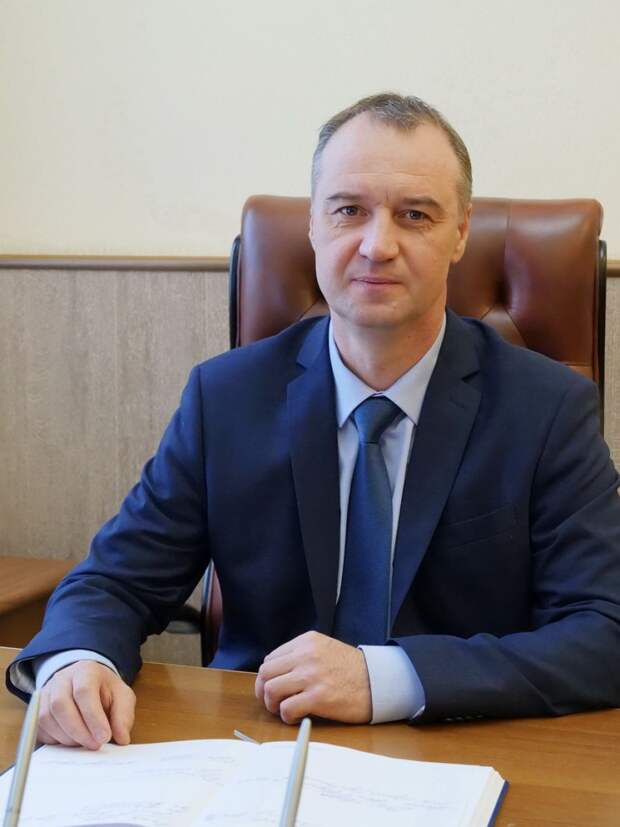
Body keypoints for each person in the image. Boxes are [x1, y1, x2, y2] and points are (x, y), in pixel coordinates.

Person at [7, 93, 620, 751]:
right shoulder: (226, 398)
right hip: (258, 750)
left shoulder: (547, 408)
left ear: (461, 233)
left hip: (462, 752)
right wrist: (78, 661)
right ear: (313, 225)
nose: (377, 245)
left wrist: (385, 678)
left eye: (415, 215)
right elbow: (114, 581)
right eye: (348, 210)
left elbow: (605, 631)